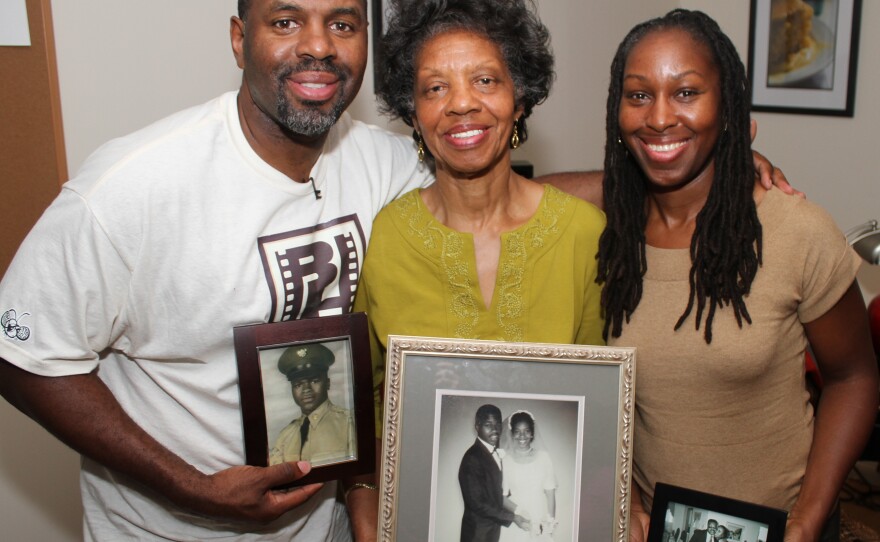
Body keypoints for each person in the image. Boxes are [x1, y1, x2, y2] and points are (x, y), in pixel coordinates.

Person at [0, 0, 426, 539]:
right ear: (238, 38)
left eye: (342, 25)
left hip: (323, 525)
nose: (319, 46)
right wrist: (190, 488)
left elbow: (501, 201)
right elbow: (23, 358)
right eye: (286, 21)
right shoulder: (133, 187)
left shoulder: (383, 163)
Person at [595, 10, 879, 542]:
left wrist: (809, 519)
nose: (658, 117)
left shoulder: (795, 229)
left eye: (686, 93)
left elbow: (854, 379)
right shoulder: (606, 238)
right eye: (637, 95)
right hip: (655, 529)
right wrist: (627, 499)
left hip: (783, 527)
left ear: (728, 109)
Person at [354, 0, 605, 410]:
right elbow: (369, 400)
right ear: (413, 115)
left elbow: (601, 398)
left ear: (519, 99)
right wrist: (365, 479)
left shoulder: (584, 233)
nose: (462, 104)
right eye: (436, 88)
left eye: (485, 80)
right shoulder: (383, 238)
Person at [269, 343, 355, 467]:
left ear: (328, 383)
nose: (306, 389)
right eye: (298, 384)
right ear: (292, 390)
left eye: (315, 381)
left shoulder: (348, 423)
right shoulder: (285, 436)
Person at [459, 404, 529, 542]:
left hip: (493, 533)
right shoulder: (472, 458)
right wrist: (513, 518)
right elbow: (478, 503)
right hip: (477, 535)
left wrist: (520, 509)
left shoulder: (496, 453)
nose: (495, 429)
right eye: (488, 424)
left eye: (497, 423)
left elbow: (498, 494)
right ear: (477, 426)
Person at [499, 410, 556, 542]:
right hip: (518, 517)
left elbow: (550, 493)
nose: (522, 436)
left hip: (539, 515)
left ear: (532, 433)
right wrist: (519, 512)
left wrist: (550, 522)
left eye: (526, 431)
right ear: (512, 434)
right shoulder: (506, 460)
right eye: (517, 431)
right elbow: (502, 498)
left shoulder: (544, 457)